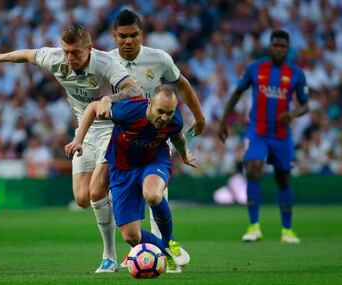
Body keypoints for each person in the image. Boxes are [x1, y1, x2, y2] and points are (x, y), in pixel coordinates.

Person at [0, 24, 143, 272]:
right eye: (66, 51)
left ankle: (109, 256)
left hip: (113, 130)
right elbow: (27, 55)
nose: (70, 57)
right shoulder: (56, 59)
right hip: (84, 132)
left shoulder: (104, 63)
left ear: (89, 49)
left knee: (95, 192)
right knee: (81, 198)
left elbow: (135, 89)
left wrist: (108, 99)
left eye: (75, 53)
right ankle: (122, 190)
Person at [109, 9, 205, 272]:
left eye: (134, 35)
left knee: (154, 195)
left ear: (142, 34)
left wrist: (198, 115)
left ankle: (167, 246)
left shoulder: (159, 59)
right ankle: (120, 253)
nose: (128, 41)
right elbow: (96, 102)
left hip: (154, 142)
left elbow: (182, 84)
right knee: (95, 197)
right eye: (123, 36)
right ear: (114, 36)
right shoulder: (105, 62)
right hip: (118, 142)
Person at [65, 84, 195, 269]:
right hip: (122, 168)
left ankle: (170, 242)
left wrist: (184, 155)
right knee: (131, 236)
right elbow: (93, 107)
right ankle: (165, 253)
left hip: (154, 161)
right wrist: (78, 139)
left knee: (153, 194)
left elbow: (178, 138)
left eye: (170, 112)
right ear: (149, 104)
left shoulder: (175, 121)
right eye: (160, 111)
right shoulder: (129, 111)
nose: (165, 118)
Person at [218, 30, 309, 244]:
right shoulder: (255, 68)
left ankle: (287, 230)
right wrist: (223, 120)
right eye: (275, 45)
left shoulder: (296, 73)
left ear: (288, 49)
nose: (278, 49)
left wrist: (292, 113)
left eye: (282, 46)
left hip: (281, 134)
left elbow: (305, 105)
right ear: (270, 46)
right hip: (257, 131)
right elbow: (237, 92)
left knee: (283, 179)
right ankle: (254, 226)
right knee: (253, 168)